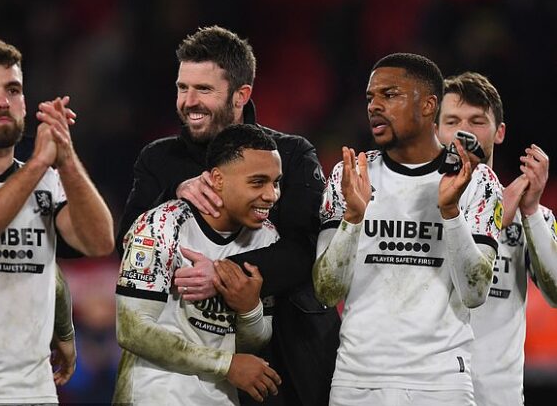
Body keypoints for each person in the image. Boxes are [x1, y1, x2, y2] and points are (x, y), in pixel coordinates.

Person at [116, 25, 339, 405]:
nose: (189, 102)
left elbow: (306, 250)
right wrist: (174, 194)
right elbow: (128, 243)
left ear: (241, 95)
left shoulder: (291, 155)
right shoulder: (159, 159)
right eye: (182, 88)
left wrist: (223, 274)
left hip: (285, 351)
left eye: (204, 89)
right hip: (176, 375)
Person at [313, 53, 503, 406]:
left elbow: (475, 292)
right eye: (370, 97)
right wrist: (353, 218)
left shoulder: (477, 181)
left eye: (390, 95)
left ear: (429, 105)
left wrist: (450, 212)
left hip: (441, 383)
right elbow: (326, 291)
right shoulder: (349, 176)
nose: (374, 106)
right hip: (358, 381)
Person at [0, 39, 114, 403]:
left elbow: (99, 242)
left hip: (35, 392)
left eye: (13, 90)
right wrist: (38, 164)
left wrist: (65, 158)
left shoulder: (49, 180)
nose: (3, 101)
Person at [114, 124, 284, 405]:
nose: (271, 195)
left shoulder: (267, 239)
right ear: (217, 179)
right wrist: (225, 365)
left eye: (275, 182)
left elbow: (253, 342)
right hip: (154, 395)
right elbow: (132, 331)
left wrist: (249, 308)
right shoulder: (160, 225)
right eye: (257, 182)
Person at [436, 71, 557, 406]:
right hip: (429, 394)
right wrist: (496, 215)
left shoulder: (531, 215)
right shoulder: (412, 208)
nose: (464, 131)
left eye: (477, 121)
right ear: (436, 130)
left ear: (499, 132)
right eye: (452, 121)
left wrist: (530, 211)